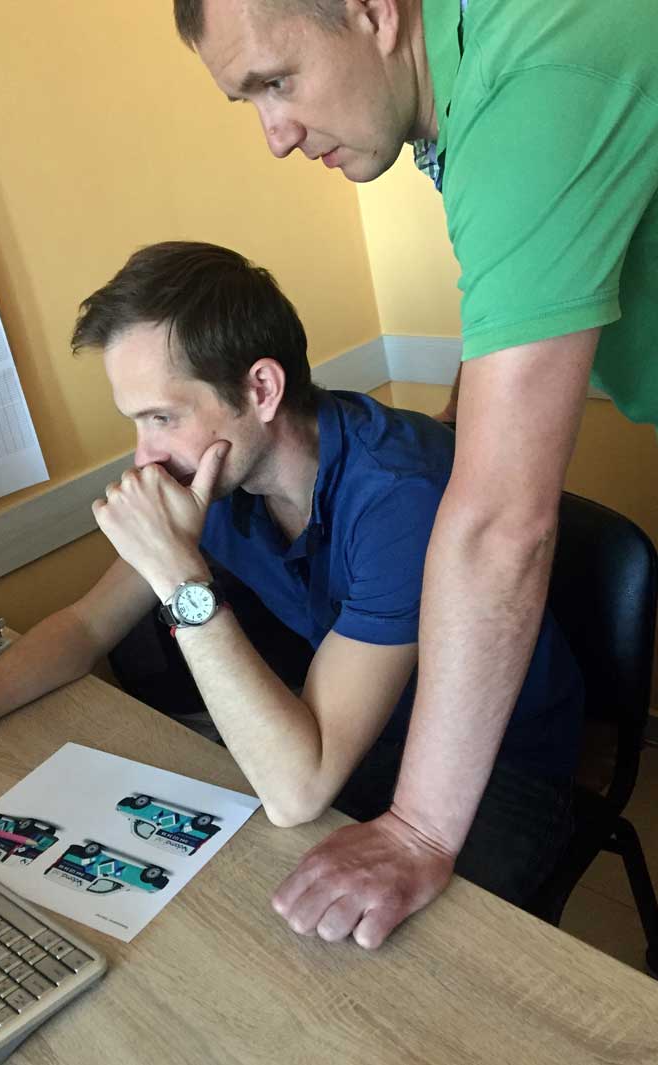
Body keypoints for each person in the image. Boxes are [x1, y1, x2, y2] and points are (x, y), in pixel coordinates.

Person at [0, 241, 583, 921]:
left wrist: (179, 576)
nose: (145, 456)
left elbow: (298, 791)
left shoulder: (399, 498)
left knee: (360, 943)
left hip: (496, 768)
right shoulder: (224, 477)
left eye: (162, 418)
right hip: (360, 733)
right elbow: (84, 626)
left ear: (261, 390)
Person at [173, 0, 658, 947]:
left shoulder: (531, 90)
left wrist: (420, 830)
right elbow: (525, 284)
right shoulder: (473, 68)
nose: (274, 135)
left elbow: (503, 528)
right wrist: (470, 421)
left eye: (278, 81)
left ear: (372, 12)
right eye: (249, 100)